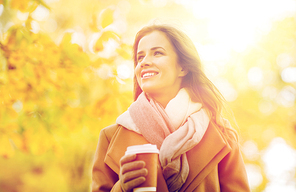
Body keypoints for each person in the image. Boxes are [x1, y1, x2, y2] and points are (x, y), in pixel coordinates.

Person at [92, 24, 251, 192]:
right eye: (140, 57)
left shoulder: (221, 134)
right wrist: (121, 188)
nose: (144, 62)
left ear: (183, 67)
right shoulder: (110, 137)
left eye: (157, 53)